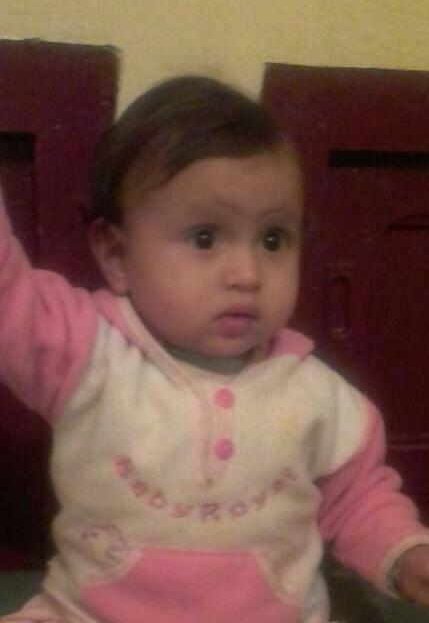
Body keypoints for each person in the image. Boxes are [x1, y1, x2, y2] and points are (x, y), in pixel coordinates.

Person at [1, 75, 429, 623]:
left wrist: (404, 552)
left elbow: (360, 498)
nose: (247, 273)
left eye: (273, 239)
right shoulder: (85, 352)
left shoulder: (319, 396)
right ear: (116, 256)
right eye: (205, 237)